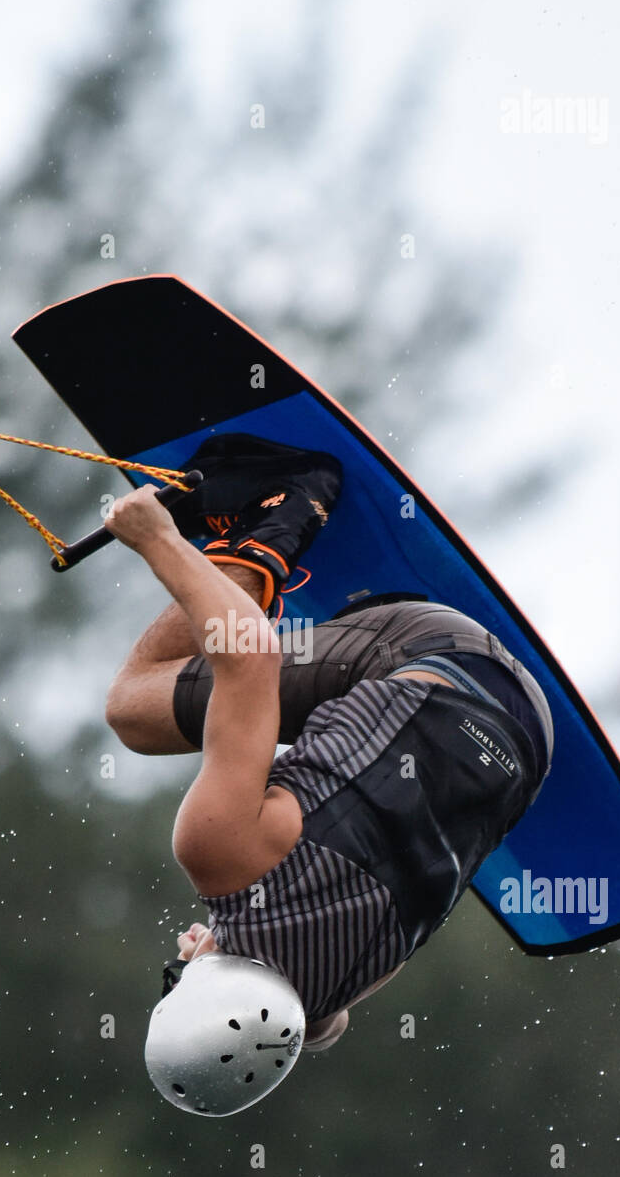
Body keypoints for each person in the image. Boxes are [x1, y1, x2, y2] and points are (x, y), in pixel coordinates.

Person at [103, 437, 553, 1116]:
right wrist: (157, 539)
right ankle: (283, 508)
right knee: (133, 709)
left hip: (527, 740)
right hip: (435, 652)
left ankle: (318, 627)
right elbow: (246, 654)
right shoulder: (219, 855)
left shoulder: (341, 984)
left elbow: (323, 1024)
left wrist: (264, 977)